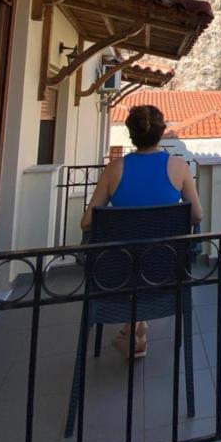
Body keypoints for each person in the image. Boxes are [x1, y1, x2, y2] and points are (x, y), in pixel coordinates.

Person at [80, 104, 203, 360]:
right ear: (161, 132)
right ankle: (136, 328)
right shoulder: (179, 167)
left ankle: (133, 329)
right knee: (147, 260)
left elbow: (87, 222)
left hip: (117, 271)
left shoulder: (114, 169)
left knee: (135, 260)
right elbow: (197, 215)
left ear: (131, 134)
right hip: (165, 268)